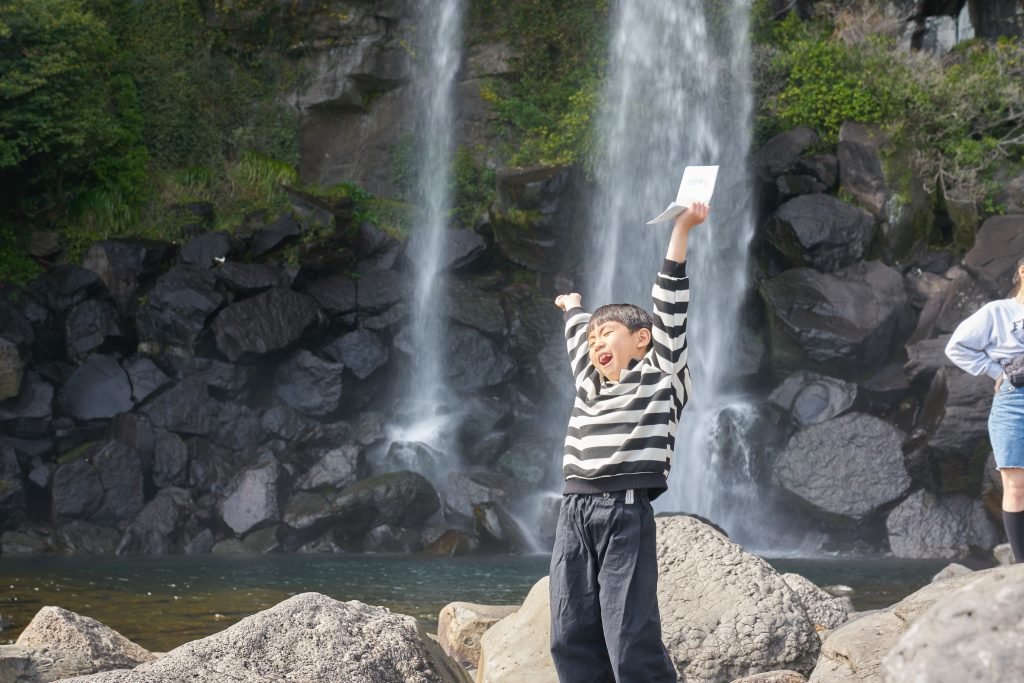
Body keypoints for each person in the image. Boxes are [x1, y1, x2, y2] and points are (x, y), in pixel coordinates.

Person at [549, 202, 709, 683]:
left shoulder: (663, 375)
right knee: (569, 629)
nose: (598, 343)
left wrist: (680, 231)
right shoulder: (589, 384)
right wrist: (574, 308)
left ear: (644, 339)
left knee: (628, 629)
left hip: (624, 510)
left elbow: (670, 304)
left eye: (610, 333)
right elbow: (579, 338)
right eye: (595, 337)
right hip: (573, 511)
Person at [945, 256, 1024, 563]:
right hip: (1013, 400)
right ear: (1022, 271)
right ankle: (1021, 569)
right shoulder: (998, 312)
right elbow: (956, 347)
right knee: (1016, 486)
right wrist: (994, 371)